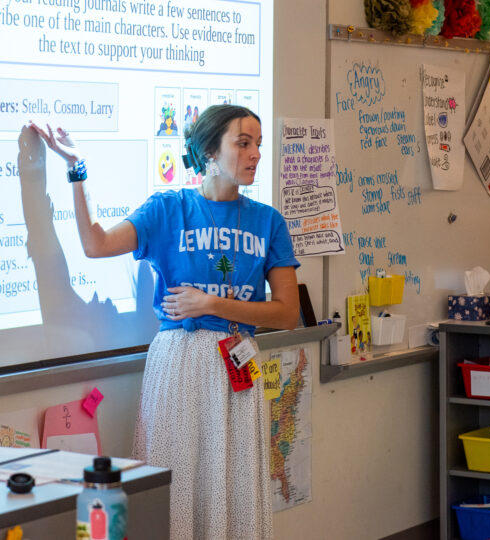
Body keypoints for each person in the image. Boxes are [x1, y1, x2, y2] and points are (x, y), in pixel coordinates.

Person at [29, 104, 299, 540]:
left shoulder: (269, 222)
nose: (254, 155)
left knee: (235, 484)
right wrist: (77, 169)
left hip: (239, 366)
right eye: (243, 143)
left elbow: (287, 313)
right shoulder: (168, 209)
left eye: (258, 145)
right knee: (177, 483)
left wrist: (212, 304)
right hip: (180, 364)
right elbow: (95, 245)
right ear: (210, 150)